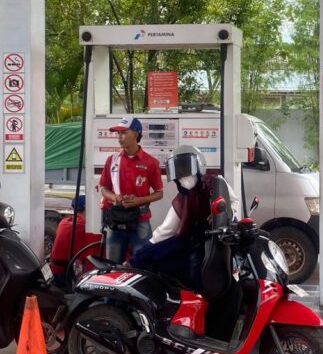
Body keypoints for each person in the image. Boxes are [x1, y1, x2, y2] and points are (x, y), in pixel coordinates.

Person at [127, 145, 236, 288]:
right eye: (178, 172)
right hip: (192, 238)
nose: (182, 176)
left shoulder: (216, 183)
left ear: (199, 166)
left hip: (216, 239)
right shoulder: (182, 198)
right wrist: (145, 251)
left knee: (199, 268)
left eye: (185, 169)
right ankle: (130, 266)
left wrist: (223, 215)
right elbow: (166, 229)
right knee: (155, 254)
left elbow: (233, 203)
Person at [99, 117, 164, 263]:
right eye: (118, 133)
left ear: (135, 134)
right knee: (113, 266)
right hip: (115, 222)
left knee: (141, 265)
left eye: (123, 132)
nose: (119, 137)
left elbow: (159, 193)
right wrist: (115, 198)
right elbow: (104, 188)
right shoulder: (112, 160)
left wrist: (139, 200)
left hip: (140, 221)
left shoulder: (151, 163)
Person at [49, 194, 102, 285]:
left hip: (56, 271)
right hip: (68, 275)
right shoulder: (84, 226)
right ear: (88, 208)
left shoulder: (64, 222)